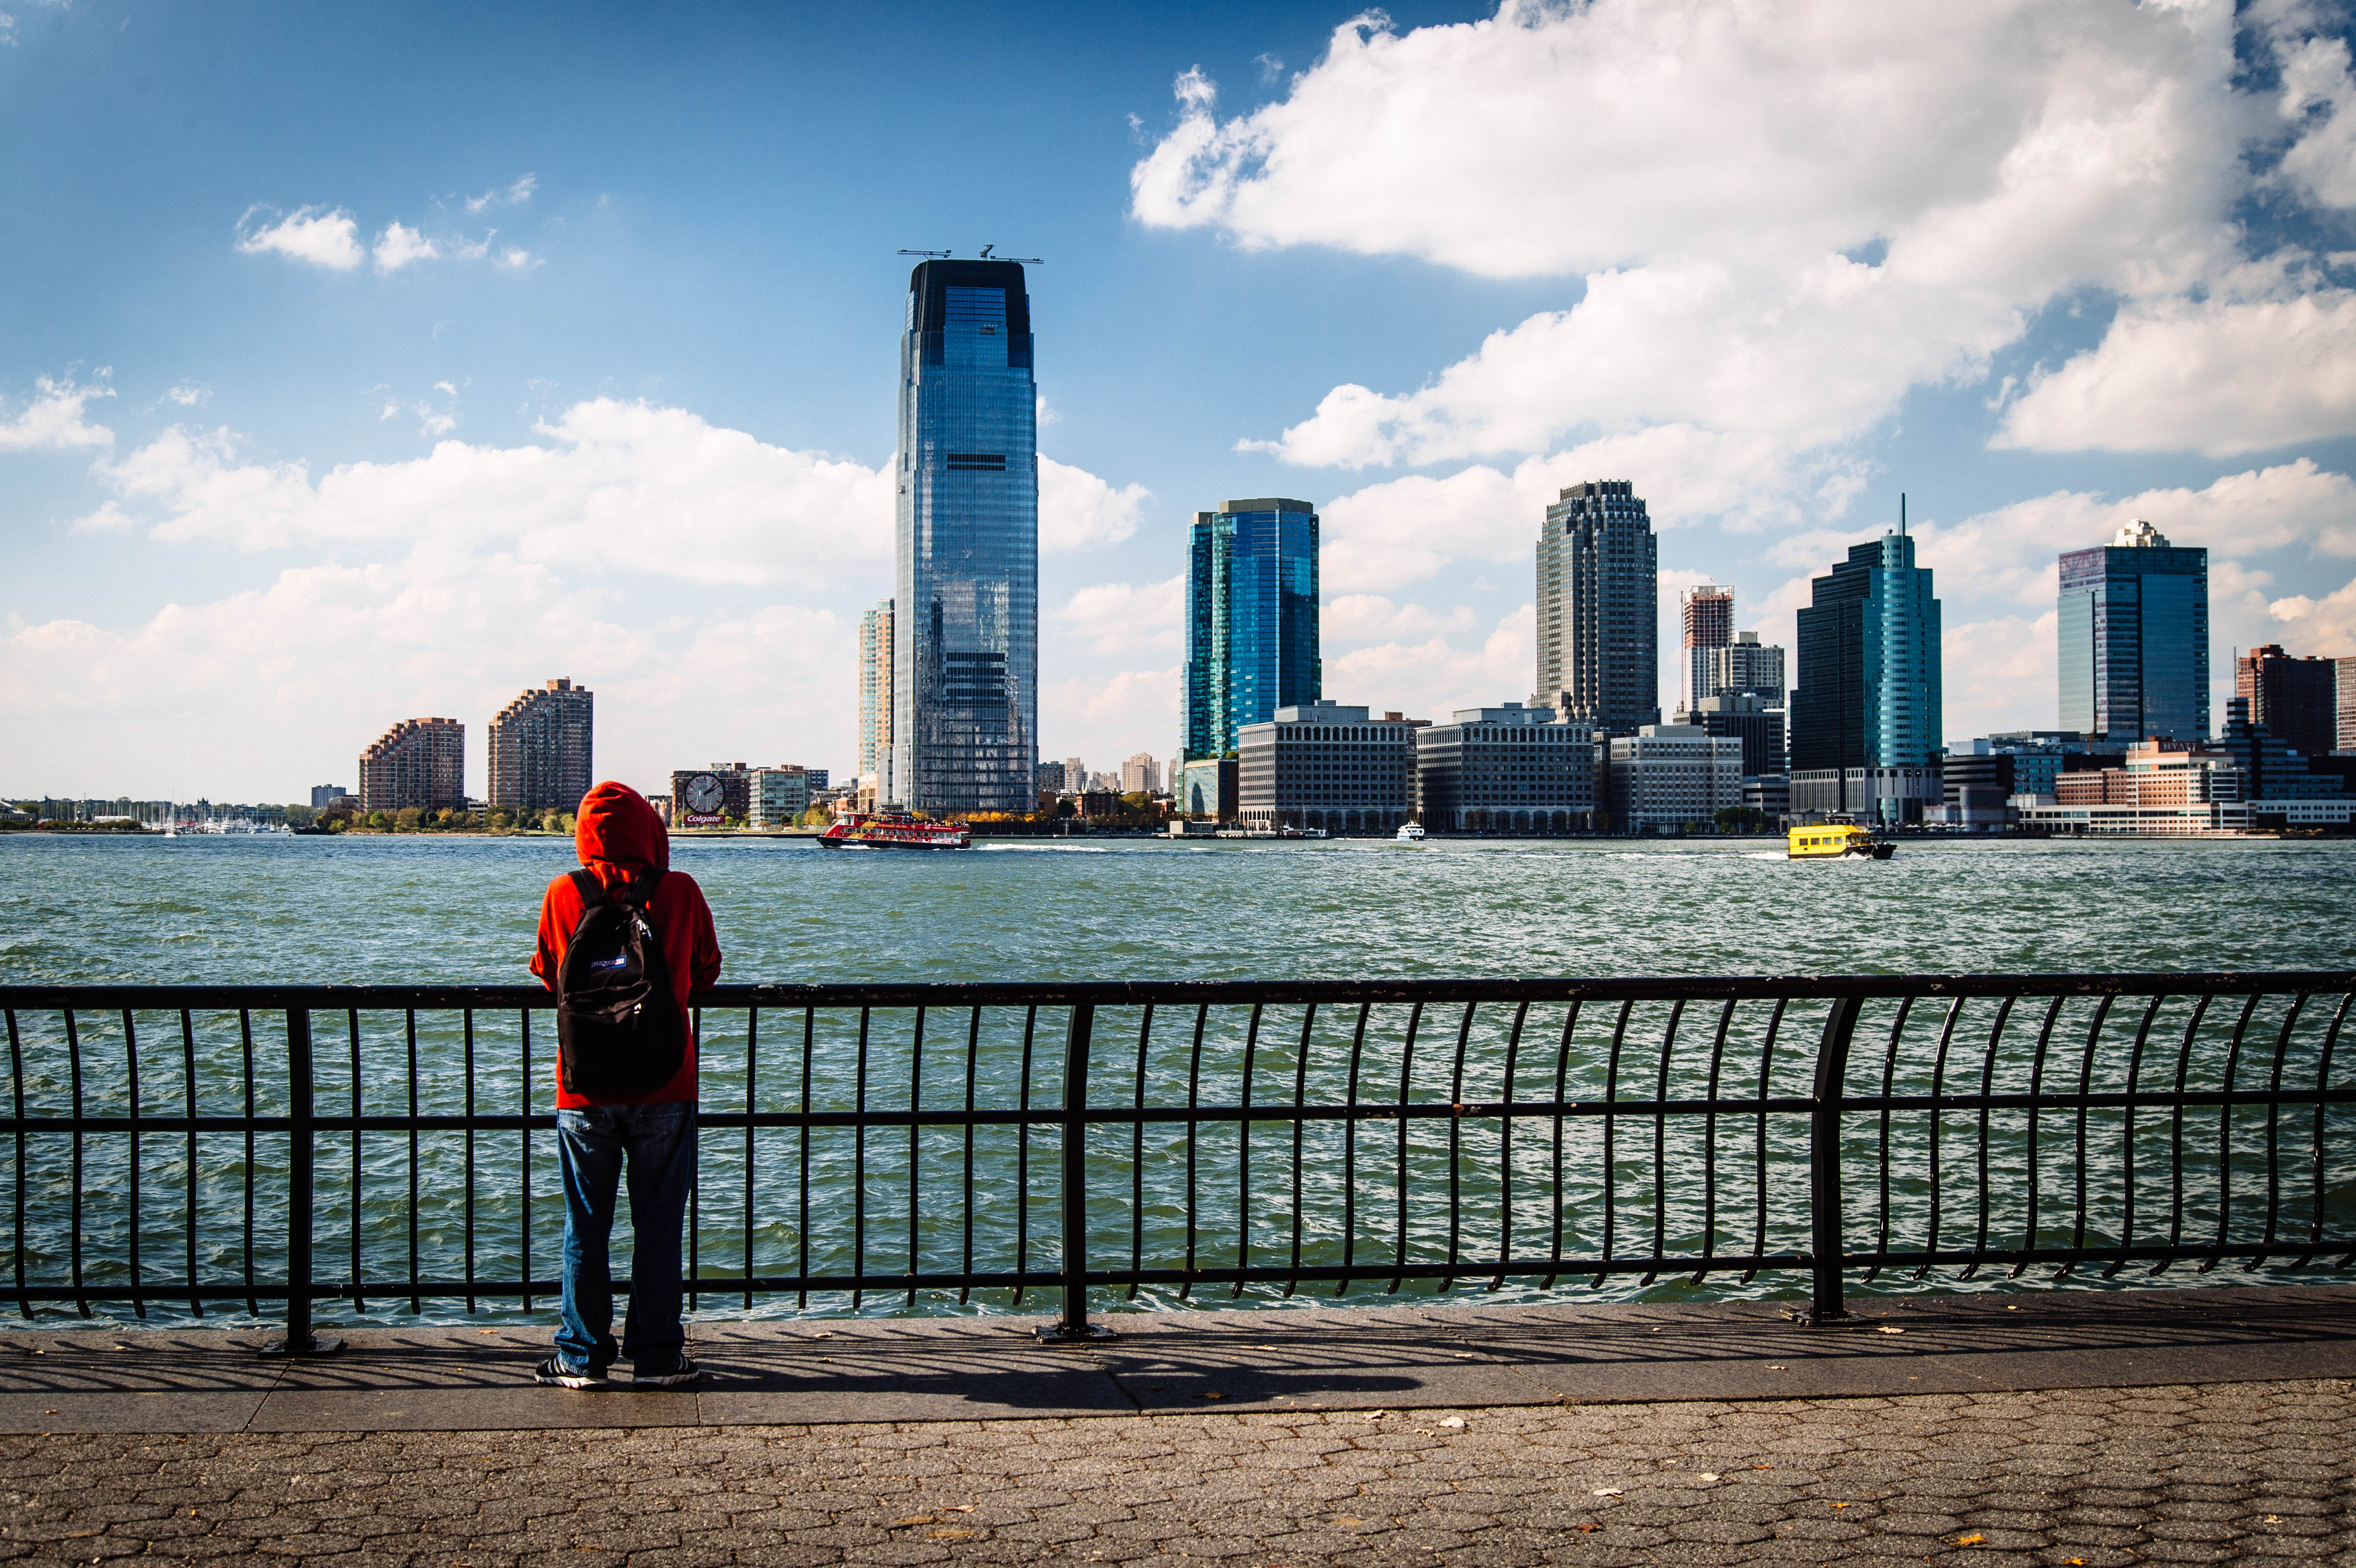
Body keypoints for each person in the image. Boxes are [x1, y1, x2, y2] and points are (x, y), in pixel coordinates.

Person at [530, 781, 721, 1388]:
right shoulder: (680, 890)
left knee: (585, 1223)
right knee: (659, 1223)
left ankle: (581, 1356)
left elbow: (546, 975)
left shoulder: (565, 892)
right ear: (649, 828)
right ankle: (658, 1355)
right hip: (667, 1082)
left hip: (584, 1088)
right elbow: (707, 972)